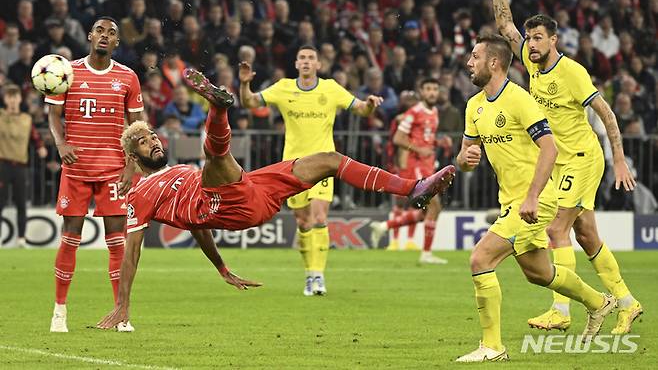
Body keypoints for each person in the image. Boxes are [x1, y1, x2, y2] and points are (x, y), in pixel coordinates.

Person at [97, 69, 456, 330]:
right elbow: (131, 253)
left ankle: (414, 188)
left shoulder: (174, 171)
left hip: (253, 189)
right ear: (133, 155)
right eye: (143, 142)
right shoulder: (139, 196)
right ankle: (218, 108)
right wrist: (122, 305)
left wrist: (222, 269)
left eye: (153, 136)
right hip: (226, 202)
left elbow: (196, 227)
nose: (154, 142)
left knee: (329, 159)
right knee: (215, 161)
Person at [486, 0, 641, 335]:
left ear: (554, 40)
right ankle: (627, 303)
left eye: (539, 37)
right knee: (586, 235)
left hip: (584, 159)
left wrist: (619, 160)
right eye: (530, 38)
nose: (531, 44)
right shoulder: (529, 59)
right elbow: (504, 24)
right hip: (560, 162)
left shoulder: (572, 72)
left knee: (557, 229)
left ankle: (562, 311)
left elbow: (606, 114)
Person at [455, 35, 616, 362]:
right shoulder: (474, 105)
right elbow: (463, 156)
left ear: (494, 63)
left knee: (480, 260)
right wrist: (466, 160)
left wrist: (531, 197)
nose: (469, 63)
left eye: (475, 57)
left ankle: (492, 347)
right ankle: (600, 303)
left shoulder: (520, 99)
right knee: (539, 273)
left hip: (535, 201)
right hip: (512, 199)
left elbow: (550, 148)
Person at [239, 45, 384, 296]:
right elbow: (250, 102)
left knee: (319, 218)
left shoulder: (330, 89)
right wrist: (244, 85)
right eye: (302, 58)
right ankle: (309, 275)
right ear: (296, 64)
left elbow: (360, 108)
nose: (306, 62)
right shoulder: (284, 87)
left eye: (311, 58)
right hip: (293, 167)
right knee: (303, 222)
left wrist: (371, 104)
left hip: (323, 164)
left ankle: (319, 277)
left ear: (318, 64)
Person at [45, 17, 144, 333]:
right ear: (89, 36)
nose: (105, 35)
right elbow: (53, 114)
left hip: (114, 171)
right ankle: (59, 311)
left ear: (117, 42)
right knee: (70, 237)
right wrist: (61, 143)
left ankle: (120, 314)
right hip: (76, 169)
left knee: (118, 242)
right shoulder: (67, 72)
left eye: (111, 33)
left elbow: (137, 127)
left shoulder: (128, 78)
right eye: (100, 30)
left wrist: (131, 166)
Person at [370, 78, 451, 264]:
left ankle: (383, 227)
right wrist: (418, 150)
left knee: (428, 212)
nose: (432, 92)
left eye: (435, 89)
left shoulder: (434, 112)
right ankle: (426, 254)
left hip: (428, 166)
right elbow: (398, 138)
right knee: (434, 206)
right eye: (428, 89)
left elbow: (426, 139)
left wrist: (439, 142)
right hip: (415, 167)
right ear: (421, 92)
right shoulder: (413, 113)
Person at [0, 84, 48, 247]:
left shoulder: (26, 119)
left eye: (15, 97)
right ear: (5, 99)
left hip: (21, 165)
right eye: (10, 97)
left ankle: (21, 239)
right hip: (2, 165)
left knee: (21, 203)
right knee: (0, 202)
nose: (13, 100)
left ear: (20, 99)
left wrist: (40, 147)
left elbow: (35, 136)